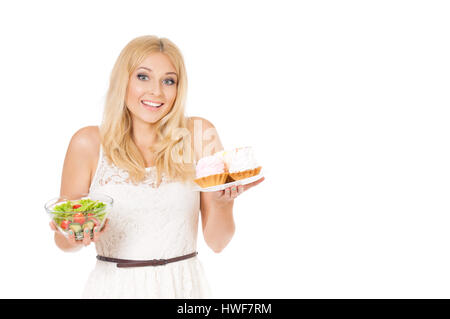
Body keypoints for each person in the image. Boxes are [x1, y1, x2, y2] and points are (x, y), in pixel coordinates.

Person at [49, 35, 265, 298]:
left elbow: (218, 242)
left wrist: (223, 203)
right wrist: (74, 237)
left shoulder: (199, 134)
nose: (156, 92)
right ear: (123, 80)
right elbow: (63, 240)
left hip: (183, 288)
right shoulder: (87, 143)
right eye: (143, 77)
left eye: (168, 81)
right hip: (115, 290)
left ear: (178, 87)